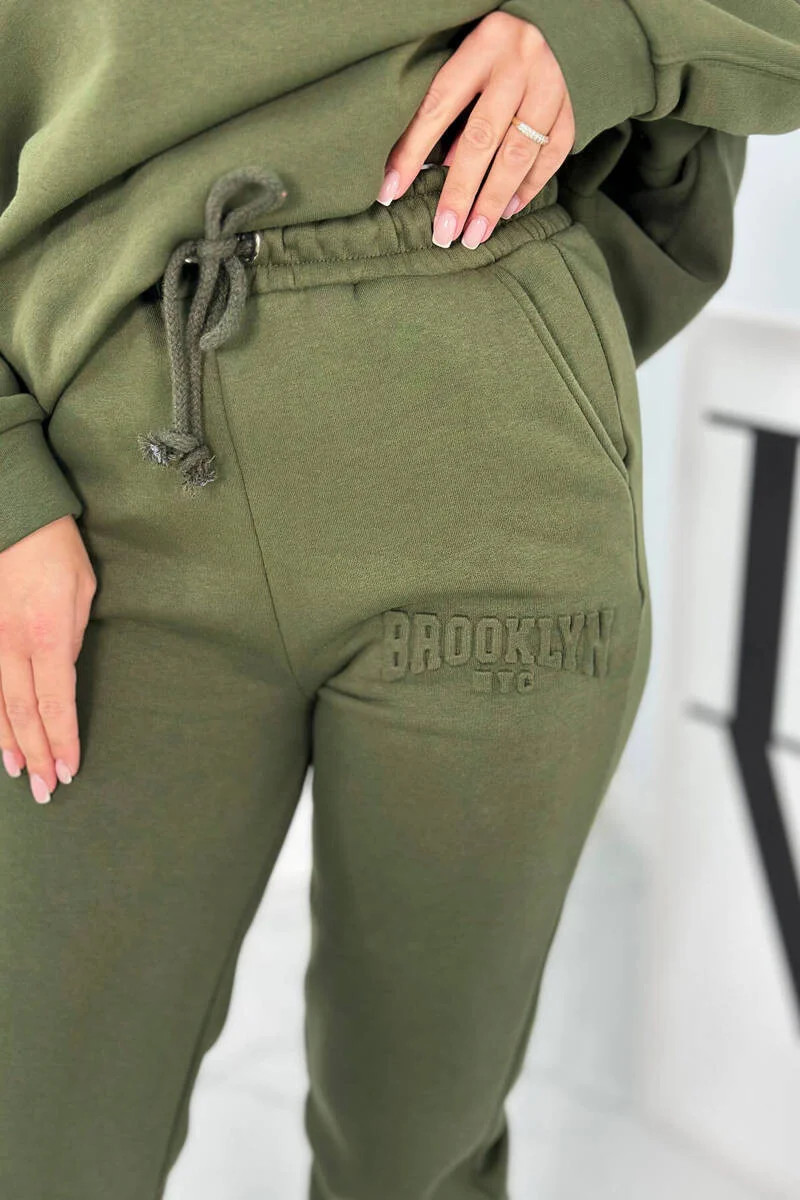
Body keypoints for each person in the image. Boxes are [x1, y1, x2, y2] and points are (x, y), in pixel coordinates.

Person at [0, 3, 799, 1198]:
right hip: (99, 470)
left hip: (491, 440)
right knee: (40, 1137)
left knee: (417, 1154)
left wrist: (609, 28)